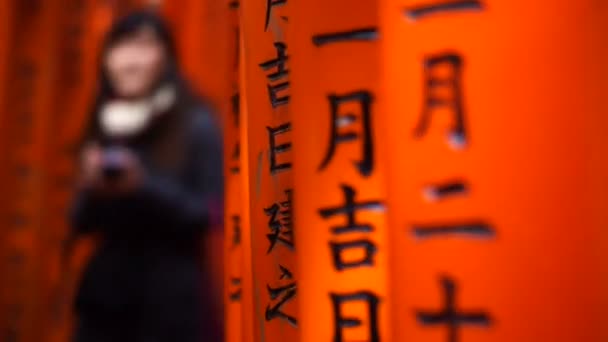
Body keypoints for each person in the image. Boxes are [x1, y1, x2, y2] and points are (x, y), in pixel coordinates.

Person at [66, 10, 223, 342]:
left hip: (171, 300)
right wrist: (92, 186)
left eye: (144, 46)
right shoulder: (104, 121)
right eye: (121, 47)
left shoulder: (194, 121)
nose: (131, 60)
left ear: (166, 56)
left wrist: (143, 185)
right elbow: (79, 219)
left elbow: (210, 211)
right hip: (107, 298)